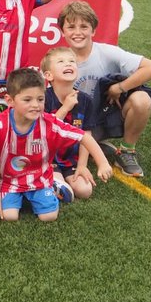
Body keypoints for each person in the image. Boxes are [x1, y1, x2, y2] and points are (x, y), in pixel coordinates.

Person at [0, 67, 107, 223]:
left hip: (40, 180)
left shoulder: (49, 123)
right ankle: (19, 196)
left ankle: (53, 184)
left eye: (40, 99)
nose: (35, 105)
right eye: (27, 99)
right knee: (9, 216)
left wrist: (102, 163)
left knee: (48, 217)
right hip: (10, 181)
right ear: (10, 101)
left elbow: (84, 136)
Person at [58, 0, 151, 178]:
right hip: (78, 123)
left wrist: (120, 87)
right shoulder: (58, 59)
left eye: (84, 27)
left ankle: (127, 151)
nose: (77, 32)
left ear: (93, 30)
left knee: (142, 99)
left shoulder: (106, 52)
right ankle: (94, 144)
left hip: (106, 116)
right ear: (62, 31)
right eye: (71, 27)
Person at [40, 47, 114, 200]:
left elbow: (86, 134)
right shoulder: (43, 98)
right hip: (47, 158)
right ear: (48, 75)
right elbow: (44, 131)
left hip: (70, 159)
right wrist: (66, 107)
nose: (68, 64)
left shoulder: (85, 100)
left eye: (72, 61)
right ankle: (52, 180)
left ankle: (55, 183)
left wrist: (82, 165)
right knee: (61, 186)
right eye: (61, 61)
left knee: (84, 190)